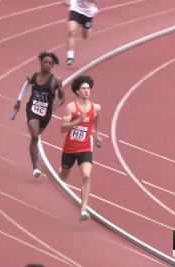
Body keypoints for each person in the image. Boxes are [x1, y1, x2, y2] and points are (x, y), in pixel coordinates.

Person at [13, 51, 65, 177]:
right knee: (35, 136)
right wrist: (19, 101)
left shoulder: (56, 81)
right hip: (32, 110)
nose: (47, 65)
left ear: (52, 65)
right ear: (41, 62)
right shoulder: (32, 77)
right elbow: (25, 87)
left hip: (46, 114)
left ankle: (34, 164)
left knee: (34, 139)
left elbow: (62, 97)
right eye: (45, 62)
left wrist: (56, 105)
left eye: (50, 63)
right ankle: (35, 167)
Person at [58, 75, 101, 220]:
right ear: (77, 91)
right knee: (63, 175)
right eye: (83, 88)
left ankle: (83, 210)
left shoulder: (95, 108)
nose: (86, 91)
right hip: (69, 148)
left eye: (88, 88)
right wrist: (77, 121)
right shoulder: (71, 107)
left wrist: (97, 134)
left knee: (87, 175)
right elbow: (62, 128)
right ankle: (61, 171)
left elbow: (96, 118)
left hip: (85, 148)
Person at [66, 0, 100, 65]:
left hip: (88, 13)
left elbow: (97, 1)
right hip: (75, 10)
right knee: (71, 30)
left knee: (85, 36)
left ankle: (88, 27)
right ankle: (70, 57)